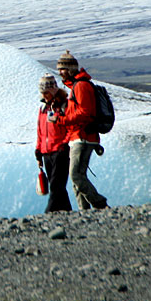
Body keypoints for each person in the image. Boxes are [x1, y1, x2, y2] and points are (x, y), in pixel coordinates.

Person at [55, 50, 108, 209]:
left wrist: (61, 119)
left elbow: (85, 113)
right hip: (78, 136)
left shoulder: (82, 86)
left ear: (71, 69)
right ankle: (84, 211)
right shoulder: (77, 86)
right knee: (77, 177)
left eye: (63, 69)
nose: (60, 72)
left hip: (83, 136)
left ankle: (100, 205)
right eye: (59, 69)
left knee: (76, 175)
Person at [36, 73, 72, 212]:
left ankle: (48, 213)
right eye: (42, 93)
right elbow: (40, 131)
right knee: (56, 185)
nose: (44, 96)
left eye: (46, 93)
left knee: (56, 185)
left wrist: (64, 144)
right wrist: (38, 151)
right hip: (46, 152)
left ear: (52, 90)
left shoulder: (63, 106)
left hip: (60, 151)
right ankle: (67, 212)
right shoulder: (43, 109)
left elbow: (70, 126)